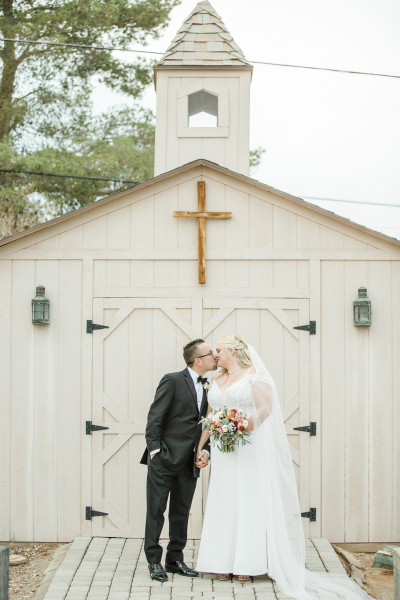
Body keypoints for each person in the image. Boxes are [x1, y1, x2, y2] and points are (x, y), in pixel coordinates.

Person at [195, 334, 375, 600]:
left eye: (219, 350)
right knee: (224, 500)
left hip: (249, 446)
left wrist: (240, 428)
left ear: (232, 351)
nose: (215, 355)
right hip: (223, 451)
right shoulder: (216, 380)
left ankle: (250, 561)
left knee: (250, 499)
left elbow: (265, 408)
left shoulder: (254, 375)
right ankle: (222, 561)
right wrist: (203, 447)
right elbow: (210, 417)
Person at [140, 339, 216, 582]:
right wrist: (155, 453)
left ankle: (174, 559)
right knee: (156, 512)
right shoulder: (172, 380)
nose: (215, 356)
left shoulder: (209, 386)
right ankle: (154, 561)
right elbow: (155, 419)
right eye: (210, 353)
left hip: (189, 461)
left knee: (181, 512)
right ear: (198, 360)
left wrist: (206, 451)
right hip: (164, 459)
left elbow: (208, 424)